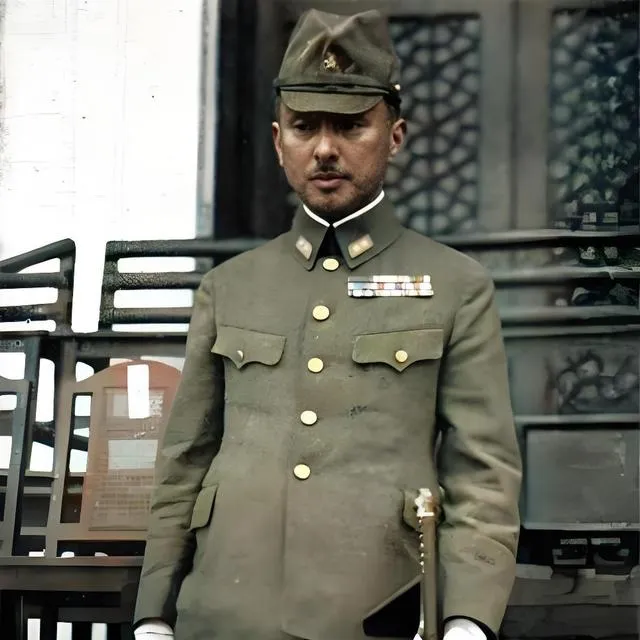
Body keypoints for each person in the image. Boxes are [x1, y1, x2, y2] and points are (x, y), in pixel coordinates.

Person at [133, 8, 522, 640]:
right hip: (227, 610)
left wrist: (468, 620)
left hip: (379, 608)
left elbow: (483, 473)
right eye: (304, 126)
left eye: (350, 125)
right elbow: (185, 462)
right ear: (276, 139)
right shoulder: (229, 287)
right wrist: (154, 612)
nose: (323, 148)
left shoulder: (455, 285)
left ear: (395, 136)